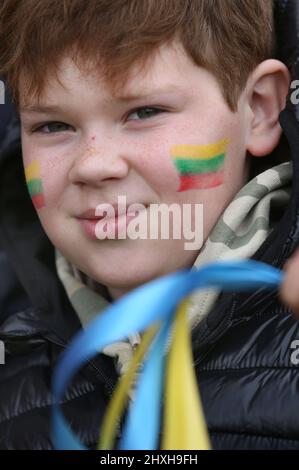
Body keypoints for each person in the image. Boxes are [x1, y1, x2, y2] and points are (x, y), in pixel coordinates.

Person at [0, 0, 299, 450]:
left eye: (144, 112)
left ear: (258, 108)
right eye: (52, 125)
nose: (94, 165)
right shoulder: (13, 376)